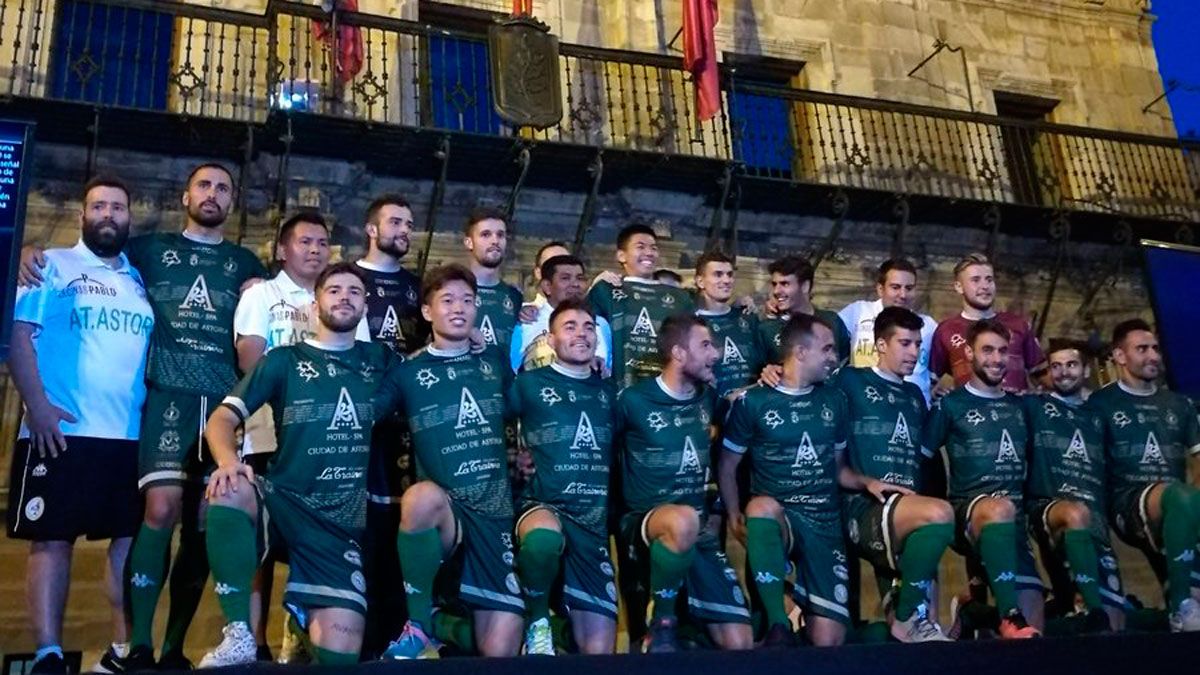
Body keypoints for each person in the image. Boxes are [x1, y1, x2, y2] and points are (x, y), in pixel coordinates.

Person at [20, 163, 268, 669]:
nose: (213, 194)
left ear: (233, 201)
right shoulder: (144, 252)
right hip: (143, 408)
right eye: (203, 185)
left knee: (199, 524)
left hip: (195, 413)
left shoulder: (245, 264)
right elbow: (83, 255)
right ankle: (123, 647)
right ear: (185, 196)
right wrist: (23, 251)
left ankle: (168, 647)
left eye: (223, 188)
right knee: (149, 514)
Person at [196, 263, 396, 667]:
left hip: (339, 524)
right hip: (284, 500)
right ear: (314, 304)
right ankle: (239, 633)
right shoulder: (283, 360)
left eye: (354, 292)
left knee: (340, 657)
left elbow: (436, 370)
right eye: (334, 290)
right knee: (230, 489)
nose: (344, 297)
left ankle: (301, 621)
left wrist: (475, 340)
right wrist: (228, 461)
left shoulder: (383, 360)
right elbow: (220, 419)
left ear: (364, 306)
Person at [6, 177, 153, 674]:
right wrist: (38, 405)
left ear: (129, 218)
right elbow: (19, 336)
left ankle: (122, 650)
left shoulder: (138, 279)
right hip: (61, 430)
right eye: (98, 206)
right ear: (82, 215)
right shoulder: (49, 264)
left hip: (128, 436)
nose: (108, 214)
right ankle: (48, 652)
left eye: (118, 207)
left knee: (126, 544)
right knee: (52, 540)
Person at [720, 314, 906, 647]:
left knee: (828, 641)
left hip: (824, 522)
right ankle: (778, 623)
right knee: (760, 508)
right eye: (827, 348)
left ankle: (801, 614)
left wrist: (867, 482)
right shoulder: (754, 402)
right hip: (781, 517)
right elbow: (727, 464)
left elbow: (839, 469)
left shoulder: (834, 400)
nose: (834, 356)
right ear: (801, 352)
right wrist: (734, 513)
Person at [374, 264, 523, 659]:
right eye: (448, 300)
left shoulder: (493, 360)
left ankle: (442, 624)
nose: (459, 308)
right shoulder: (407, 372)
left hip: (494, 515)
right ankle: (419, 625)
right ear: (427, 311)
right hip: (448, 515)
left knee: (500, 652)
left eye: (468, 301)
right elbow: (367, 412)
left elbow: (524, 407)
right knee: (419, 498)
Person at [615, 314, 752, 653]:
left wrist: (770, 377)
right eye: (705, 345)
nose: (715, 354)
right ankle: (661, 622)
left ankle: (690, 637)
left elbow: (739, 407)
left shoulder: (708, 399)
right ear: (678, 353)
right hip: (645, 522)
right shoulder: (632, 401)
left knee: (740, 642)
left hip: (697, 527)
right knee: (682, 519)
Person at [832, 307, 954, 642]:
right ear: (881, 345)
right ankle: (905, 616)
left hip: (905, 509)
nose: (914, 352)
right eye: (905, 343)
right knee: (940, 514)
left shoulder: (915, 395)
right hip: (865, 506)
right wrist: (770, 374)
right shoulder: (850, 380)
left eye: (918, 344)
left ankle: (906, 618)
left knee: (922, 634)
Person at [507, 299, 619, 655]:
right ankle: (538, 622)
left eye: (588, 327)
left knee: (599, 652)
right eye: (569, 327)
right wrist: (511, 456)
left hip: (592, 523)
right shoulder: (527, 384)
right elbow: (491, 423)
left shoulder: (610, 392)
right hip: (543, 504)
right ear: (551, 340)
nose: (581, 334)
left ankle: (562, 630)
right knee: (542, 538)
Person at [923, 318, 1043, 639]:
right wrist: (933, 512)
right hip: (968, 515)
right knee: (998, 508)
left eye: (1003, 351)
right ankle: (1008, 614)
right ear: (969, 354)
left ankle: (974, 613)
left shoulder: (1021, 407)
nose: (997, 358)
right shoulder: (950, 404)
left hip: (1014, 525)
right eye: (987, 350)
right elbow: (923, 458)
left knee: (1034, 636)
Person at [1089, 319, 1200, 632]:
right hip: (1127, 504)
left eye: (1155, 349)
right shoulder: (1100, 403)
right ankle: (1180, 605)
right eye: (1142, 349)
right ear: (1120, 356)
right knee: (1179, 495)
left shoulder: (1179, 404)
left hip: (1177, 505)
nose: (1153, 356)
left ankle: (1178, 605)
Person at [352, 195, 426, 658]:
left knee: (403, 532)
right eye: (395, 221)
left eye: (409, 224)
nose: (404, 230)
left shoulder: (419, 288)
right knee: (364, 533)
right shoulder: (348, 280)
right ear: (372, 229)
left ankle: (402, 640)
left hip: (409, 429)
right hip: (361, 424)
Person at [1023, 340, 1123, 632]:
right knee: (1074, 515)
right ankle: (1085, 606)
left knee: (1115, 626)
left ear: (1086, 369)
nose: (1063, 372)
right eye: (1056, 366)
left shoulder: (1100, 413)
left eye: (1071, 365)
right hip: (1050, 510)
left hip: (1096, 524)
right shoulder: (1035, 406)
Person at [587, 223, 694, 388]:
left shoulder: (680, 298)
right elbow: (589, 326)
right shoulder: (605, 291)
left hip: (668, 391)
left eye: (654, 248)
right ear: (621, 256)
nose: (649, 253)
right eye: (640, 247)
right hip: (619, 389)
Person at [930, 253, 1043, 393]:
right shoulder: (946, 330)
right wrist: (938, 395)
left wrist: (1037, 397)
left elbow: (1043, 376)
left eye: (989, 280)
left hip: (1017, 406)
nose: (985, 286)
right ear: (959, 287)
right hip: (970, 406)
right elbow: (928, 381)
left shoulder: (1019, 324)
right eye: (976, 280)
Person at [838, 258, 938, 403]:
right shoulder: (858, 312)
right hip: (867, 403)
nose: (903, 295)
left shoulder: (929, 326)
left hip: (915, 406)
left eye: (909, 288)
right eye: (895, 287)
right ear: (880, 289)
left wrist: (943, 384)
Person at [510, 254, 611, 374]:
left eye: (580, 278)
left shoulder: (601, 324)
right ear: (547, 286)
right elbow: (512, 369)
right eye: (565, 278)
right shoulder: (525, 321)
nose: (575, 284)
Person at [693, 251, 763, 397]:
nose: (726, 280)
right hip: (709, 407)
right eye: (718, 274)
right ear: (700, 281)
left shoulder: (748, 318)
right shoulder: (691, 323)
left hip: (750, 406)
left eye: (730, 275)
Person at [759, 254, 850, 366]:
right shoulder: (767, 329)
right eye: (774, 284)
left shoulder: (832, 321)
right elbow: (757, 369)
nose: (776, 291)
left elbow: (845, 363)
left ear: (805, 286)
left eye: (785, 284)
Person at [463, 206, 523, 351]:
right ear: (469, 242)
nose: (495, 241)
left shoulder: (515, 297)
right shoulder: (451, 291)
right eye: (486, 235)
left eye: (500, 235)